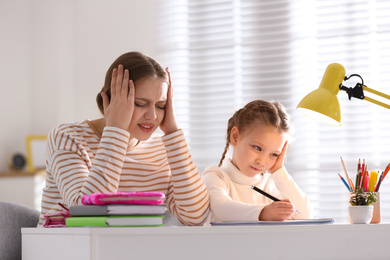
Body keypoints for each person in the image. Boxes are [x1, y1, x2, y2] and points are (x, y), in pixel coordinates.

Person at [38, 51, 209, 226]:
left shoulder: (163, 149)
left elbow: (196, 218)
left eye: (161, 105)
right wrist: (116, 130)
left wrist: (173, 134)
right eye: (140, 104)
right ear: (112, 100)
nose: (152, 116)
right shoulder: (68, 138)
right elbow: (88, 214)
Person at [201, 100, 312, 223]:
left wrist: (278, 171)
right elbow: (221, 208)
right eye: (257, 148)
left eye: (274, 154)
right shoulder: (215, 176)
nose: (262, 161)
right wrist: (264, 213)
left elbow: (304, 214)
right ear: (235, 137)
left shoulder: (269, 184)